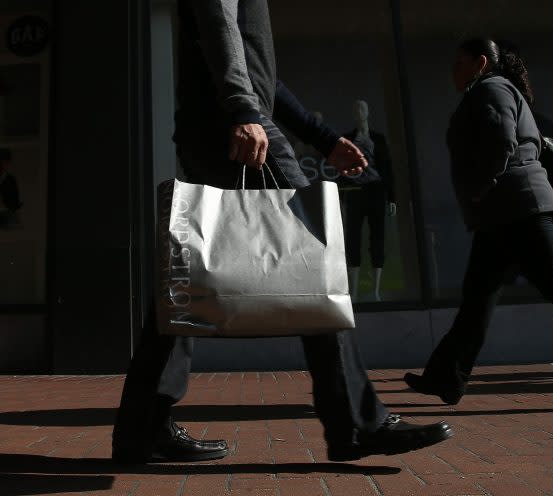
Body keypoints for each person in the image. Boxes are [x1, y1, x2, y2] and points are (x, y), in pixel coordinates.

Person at [112, 0, 452, 464]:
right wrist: (242, 111)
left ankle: (142, 428)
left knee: (190, 276)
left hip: (224, 118)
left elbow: (258, 72)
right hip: (230, 121)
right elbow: (219, 26)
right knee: (311, 262)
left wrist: (323, 137)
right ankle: (356, 422)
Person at [404, 38, 553, 411]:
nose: (454, 70)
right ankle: (446, 375)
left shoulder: (492, 88)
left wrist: (481, 188)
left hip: (515, 207)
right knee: (479, 297)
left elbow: (501, 141)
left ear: (481, 62)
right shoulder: (492, 88)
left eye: (459, 62)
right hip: (505, 211)